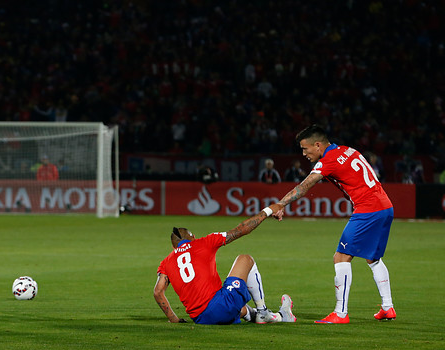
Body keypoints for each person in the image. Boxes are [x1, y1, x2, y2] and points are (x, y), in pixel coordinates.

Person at [273, 124, 395, 324]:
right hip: (385, 206)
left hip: (368, 209)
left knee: (340, 257)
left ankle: (340, 313)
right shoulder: (348, 150)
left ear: (318, 145)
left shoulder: (328, 160)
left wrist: (281, 203)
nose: (303, 153)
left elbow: (305, 186)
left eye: (305, 149)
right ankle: (388, 307)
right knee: (373, 258)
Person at [154, 203, 297, 325]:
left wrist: (174, 320)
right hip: (219, 306)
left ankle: (279, 316)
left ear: (174, 248)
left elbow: (158, 292)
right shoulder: (203, 242)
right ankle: (263, 311)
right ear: (194, 238)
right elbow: (242, 229)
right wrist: (268, 210)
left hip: (200, 318)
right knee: (245, 259)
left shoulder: (166, 262)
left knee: (240, 308)